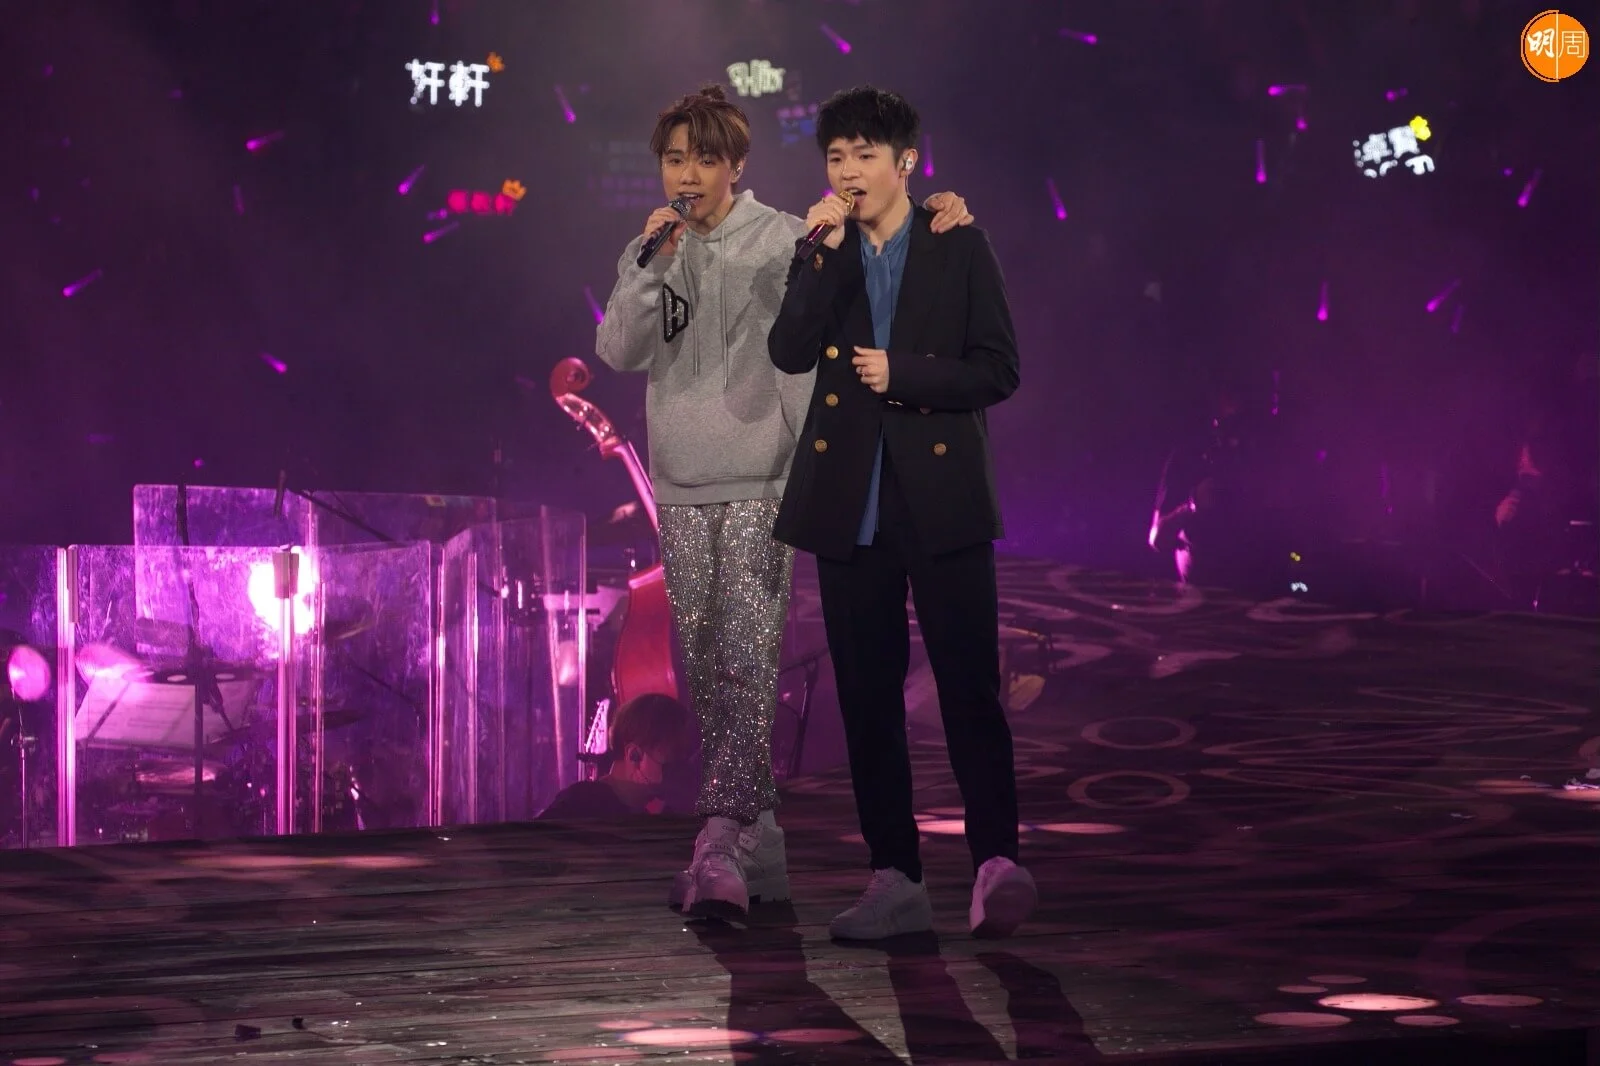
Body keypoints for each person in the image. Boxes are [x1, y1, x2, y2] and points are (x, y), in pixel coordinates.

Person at [595, 84, 975, 920]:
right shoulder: (654, 247)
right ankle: (758, 844)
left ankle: (720, 837)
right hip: (681, 481)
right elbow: (617, 349)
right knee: (705, 668)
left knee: (746, 661)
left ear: (736, 164)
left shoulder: (783, 238)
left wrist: (819, 479)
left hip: (764, 478)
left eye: (703, 159)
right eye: (673, 160)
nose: (686, 176)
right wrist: (645, 268)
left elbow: (819, 345)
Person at [766, 85, 1035, 940]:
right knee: (867, 700)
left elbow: (999, 368)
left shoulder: (959, 242)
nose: (848, 172)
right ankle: (895, 876)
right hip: (850, 503)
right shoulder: (826, 247)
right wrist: (818, 255)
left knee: (967, 687)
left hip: (942, 501)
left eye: (865, 155)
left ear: (906, 162)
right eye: (836, 157)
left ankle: (995, 865)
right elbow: (788, 349)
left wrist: (905, 374)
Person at [538, 693, 695, 819]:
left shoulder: (645, 817)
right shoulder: (579, 804)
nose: (676, 776)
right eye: (669, 764)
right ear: (634, 755)